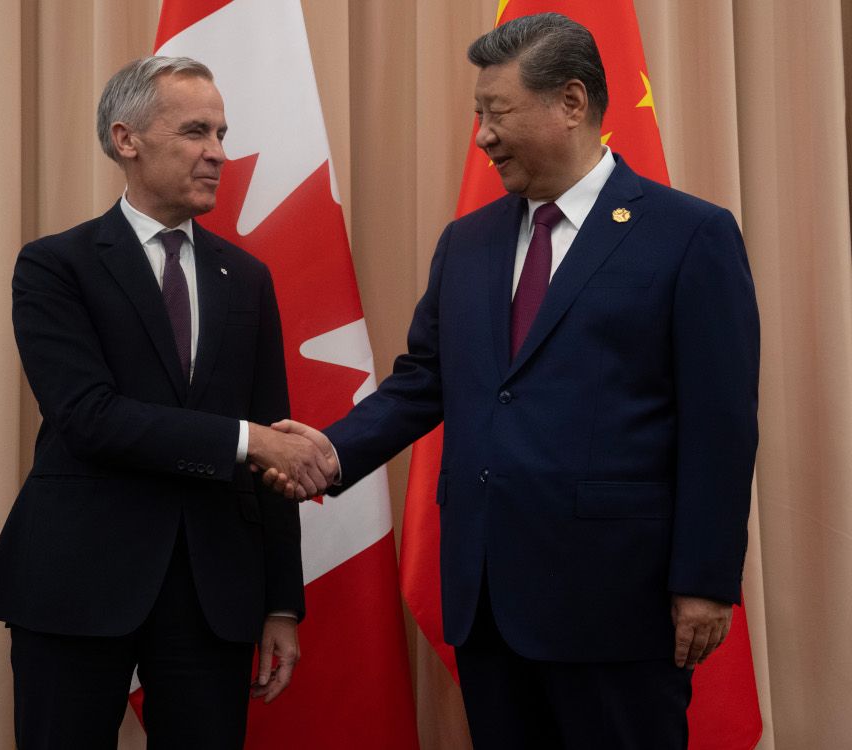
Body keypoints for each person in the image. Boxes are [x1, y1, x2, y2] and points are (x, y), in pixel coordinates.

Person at [265, 13, 759, 748]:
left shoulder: (689, 236)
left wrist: (706, 580)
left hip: (615, 603)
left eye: (497, 114)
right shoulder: (468, 241)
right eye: (477, 115)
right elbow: (425, 379)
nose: (483, 137)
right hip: (487, 598)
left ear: (570, 102)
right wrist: (332, 453)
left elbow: (721, 423)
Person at [0, 56, 334, 749]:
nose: (219, 154)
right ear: (126, 138)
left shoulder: (247, 279)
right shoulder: (56, 265)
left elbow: (276, 443)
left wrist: (283, 602)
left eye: (222, 132)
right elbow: (89, 416)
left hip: (211, 590)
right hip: (77, 578)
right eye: (196, 131)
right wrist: (247, 441)